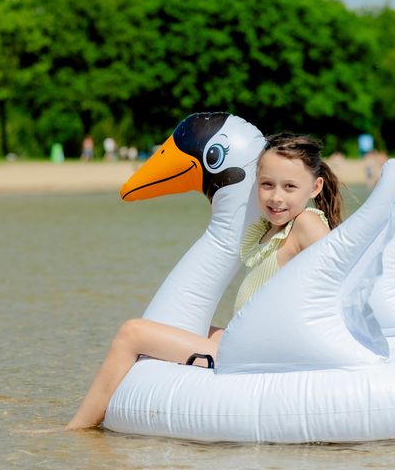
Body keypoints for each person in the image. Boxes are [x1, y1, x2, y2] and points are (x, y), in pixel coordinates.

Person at [67, 133, 343, 430]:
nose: (276, 197)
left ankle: (78, 429)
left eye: (289, 187)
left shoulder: (306, 224)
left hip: (264, 355)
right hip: (250, 343)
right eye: (267, 185)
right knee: (191, 326)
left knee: (132, 333)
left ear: (315, 187)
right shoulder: (270, 228)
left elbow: (339, 279)